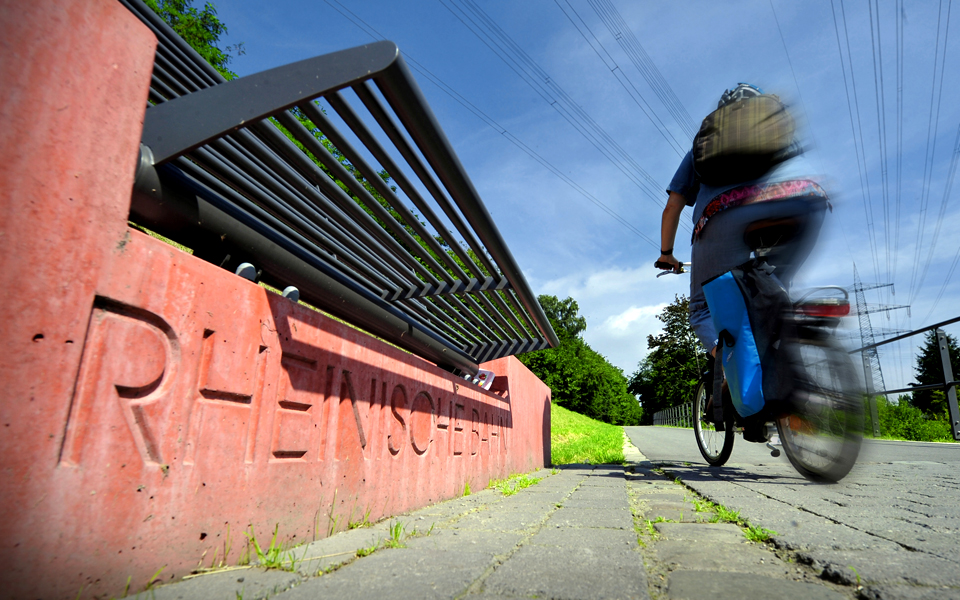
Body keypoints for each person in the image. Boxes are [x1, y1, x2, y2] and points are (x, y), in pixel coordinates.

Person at [657, 83, 829, 360]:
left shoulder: (704, 147)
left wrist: (667, 254)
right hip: (804, 200)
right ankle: (793, 363)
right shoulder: (776, 133)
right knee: (778, 294)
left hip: (725, 214)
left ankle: (732, 367)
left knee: (701, 309)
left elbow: (672, 207)